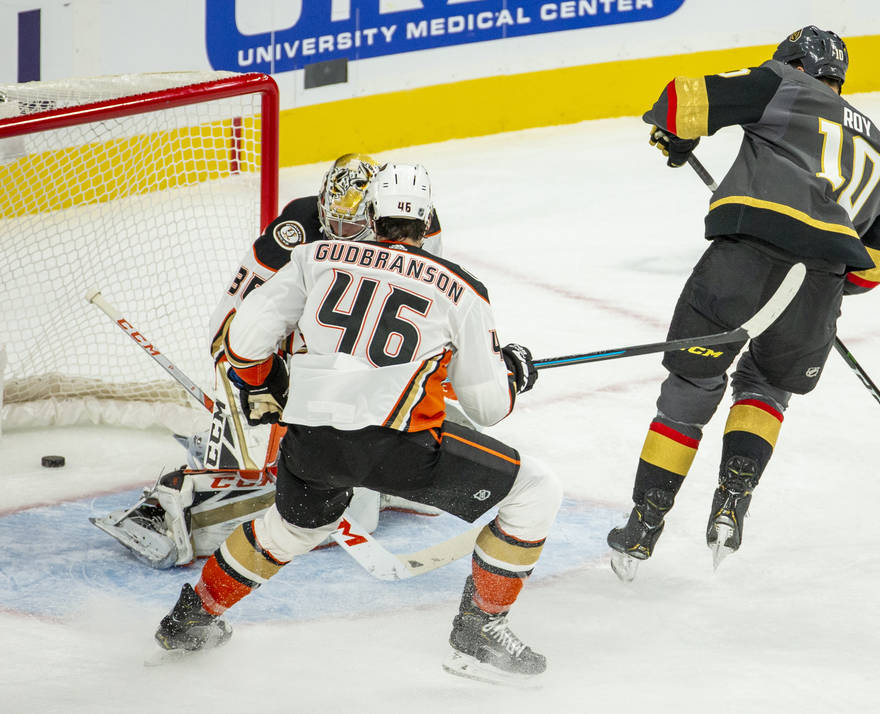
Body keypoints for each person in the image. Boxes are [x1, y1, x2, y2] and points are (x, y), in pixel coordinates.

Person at [153, 163, 562, 685]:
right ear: (427, 219)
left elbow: (243, 344)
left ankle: (190, 621)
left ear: (371, 214)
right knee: (536, 492)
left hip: (310, 447)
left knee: (292, 528)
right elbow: (487, 408)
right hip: (405, 453)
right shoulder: (462, 290)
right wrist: (511, 372)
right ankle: (479, 633)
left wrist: (265, 387)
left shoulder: (311, 256)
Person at [607, 26, 880, 577]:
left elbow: (679, 101)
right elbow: (877, 268)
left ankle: (645, 524)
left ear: (791, 61)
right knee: (766, 386)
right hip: (820, 286)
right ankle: (730, 506)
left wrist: (678, 137)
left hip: (745, 260)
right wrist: (820, 281)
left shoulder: (783, 82)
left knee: (693, 384)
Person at [91, 154, 445, 569]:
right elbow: (231, 320)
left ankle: (371, 477)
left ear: (376, 214)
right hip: (300, 344)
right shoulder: (294, 232)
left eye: (351, 228)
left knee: (373, 477)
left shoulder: (414, 225)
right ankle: (178, 497)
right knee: (339, 505)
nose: (338, 234)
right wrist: (254, 382)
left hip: (364, 352)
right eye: (332, 222)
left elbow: (427, 305)